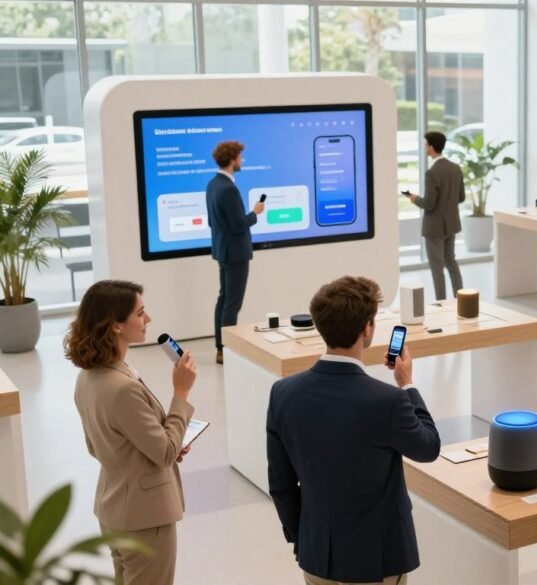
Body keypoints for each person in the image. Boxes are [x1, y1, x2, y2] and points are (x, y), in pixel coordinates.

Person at [267, 276, 441, 585]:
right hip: (378, 560)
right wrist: (408, 384)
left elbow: (281, 485)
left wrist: (304, 539)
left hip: (317, 555)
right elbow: (428, 447)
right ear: (367, 329)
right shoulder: (388, 401)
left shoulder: (283, 393)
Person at [64, 280, 197, 585]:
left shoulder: (90, 377)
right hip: (145, 517)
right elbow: (163, 453)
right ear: (116, 326)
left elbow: (101, 445)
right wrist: (181, 392)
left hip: (114, 508)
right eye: (141, 312)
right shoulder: (122, 387)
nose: (147, 319)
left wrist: (168, 441)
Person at [207, 140, 265, 365]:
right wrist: (255, 212)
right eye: (240, 157)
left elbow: (214, 222)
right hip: (236, 253)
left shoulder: (213, 184)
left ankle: (220, 347)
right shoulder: (229, 189)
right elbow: (239, 224)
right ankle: (226, 349)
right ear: (232, 159)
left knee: (223, 300)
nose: (242, 161)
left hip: (222, 250)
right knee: (232, 303)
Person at [404, 131, 465, 300]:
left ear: (431, 147)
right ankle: (461, 299)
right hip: (451, 225)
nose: (424, 148)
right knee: (451, 263)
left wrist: (414, 198)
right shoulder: (456, 168)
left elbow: (429, 204)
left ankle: (441, 304)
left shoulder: (432, 173)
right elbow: (461, 198)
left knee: (437, 268)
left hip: (434, 228)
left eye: (425, 145)